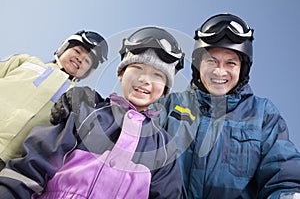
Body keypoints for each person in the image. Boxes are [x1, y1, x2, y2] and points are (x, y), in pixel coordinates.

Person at [0, 26, 184, 199]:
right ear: (120, 74)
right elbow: (34, 165)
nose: (144, 79)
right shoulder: (86, 113)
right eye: (137, 68)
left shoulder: (164, 146)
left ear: (165, 88)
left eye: (158, 75)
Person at [156, 13, 300, 198]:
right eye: (211, 61)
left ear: (242, 69)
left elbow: (284, 178)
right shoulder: (169, 105)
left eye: (230, 63)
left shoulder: (263, 115)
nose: (219, 71)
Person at [0, 30, 108, 170]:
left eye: (87, 61)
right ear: (63, 48)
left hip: (10, 162)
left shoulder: (76, 97)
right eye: (77, 51)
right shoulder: (26, 62)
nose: (80, 59)